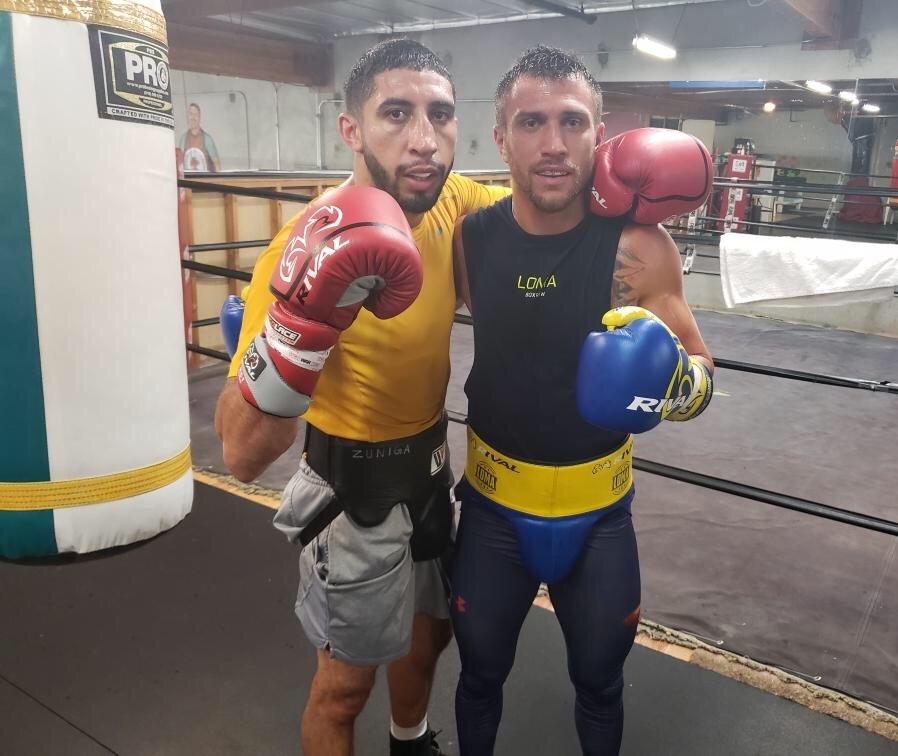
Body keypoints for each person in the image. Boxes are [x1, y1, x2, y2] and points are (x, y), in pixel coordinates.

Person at [214, 39, 508, 756]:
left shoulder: (455, 200)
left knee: (428, 639)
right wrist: (300, 332)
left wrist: (613, 189)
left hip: (432, 474)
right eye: (397, 114)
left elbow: (545, 207)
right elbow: (241, 454)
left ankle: (411, 740)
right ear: (351, 129)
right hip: (351, 494)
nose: (424, 139)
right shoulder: (298, 247)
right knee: (344, 689)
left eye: (441, 115)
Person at [448, 46, 714, 755]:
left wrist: (670, 384)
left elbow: (701, 369)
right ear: (501, 138)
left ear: (600, 134)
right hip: (492, 508)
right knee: (479, 674)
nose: (553, 144)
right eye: (531, 122)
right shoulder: (472, 238)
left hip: (600, 516)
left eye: (571, 121)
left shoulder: (639, 248)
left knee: (600, 682)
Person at [179, 102, 221, 172]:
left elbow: (216, 164)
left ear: (199, 117)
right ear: (188, 117)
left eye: (196, 114)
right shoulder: (183, 139)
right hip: (188, 178)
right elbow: (179, 164)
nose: (193, 117)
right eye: (191, 114)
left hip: (204, 178)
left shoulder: (207, 139)